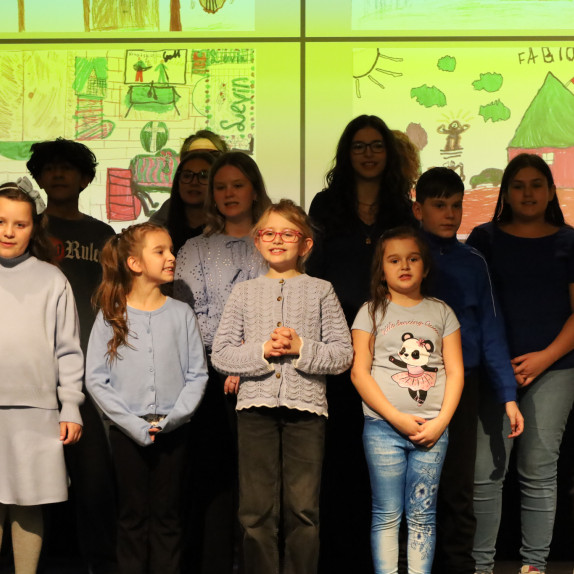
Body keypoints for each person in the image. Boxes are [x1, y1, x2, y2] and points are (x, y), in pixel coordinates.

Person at [211, 200, 353, 574]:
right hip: (254, 410)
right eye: (269, 233)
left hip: (307, 412)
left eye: (288, 233)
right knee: (255, 511)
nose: (277, 240)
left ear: (305, 244)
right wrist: (262, 351)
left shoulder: (321, 290)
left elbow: (342, 354)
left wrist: (301, 347)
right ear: (257, 241)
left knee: (303, 509)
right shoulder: (243, 292)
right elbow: (222, 354)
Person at [307, 115, 416, 573]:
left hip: (390, 348)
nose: (368, 154)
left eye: (376, 145)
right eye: (358, 146)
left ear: (388, 153)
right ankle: (338, 560)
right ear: (346, 153)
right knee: (339, 458)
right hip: (335, 346)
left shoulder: (402, 208)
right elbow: (313, 275)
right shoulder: (325, 205)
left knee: (384, 459)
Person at [411, 167, 524, 574]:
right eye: (439, 205)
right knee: (414, 486)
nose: (449, 214)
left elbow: (491, 329)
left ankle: (459, 567)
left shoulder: (472, 261)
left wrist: (508, 395)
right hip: (409, 384)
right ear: (418, 209)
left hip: (463, 384)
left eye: (456, 206)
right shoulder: (404, 255)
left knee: (458, 486)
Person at [466, 154, 574, 574]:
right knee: (486, 473)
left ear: (550, 191)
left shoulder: (568, 241)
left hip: (556, 369)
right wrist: (498, 365)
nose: (528, 193)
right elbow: (473, 307)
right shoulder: (484, 239)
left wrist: (544, 358)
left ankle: (534, 566)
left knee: (539, 470)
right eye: (518, 185)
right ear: (506, 194)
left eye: (536, 184)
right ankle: (481, 567)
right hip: (495, 371)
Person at [86, 222, 208, 574]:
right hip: (127, 434)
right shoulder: (112, 315)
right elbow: (96, 379)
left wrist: (174, 419)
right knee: (132, 516)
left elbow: (197, 374)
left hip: (174, 431)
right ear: (134, 263)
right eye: (160, 251)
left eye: (171, 250)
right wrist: (131, 425)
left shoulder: (181, 314)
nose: (171, 257)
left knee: (168, 517)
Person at [174, 151, 272, 573]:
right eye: (220, 187)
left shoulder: (272, 244)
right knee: (213, 479)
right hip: (208, 376)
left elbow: (277, 307)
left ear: (254, 190)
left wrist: (246, 355)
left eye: (237, 185)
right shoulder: (195, 248)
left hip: (264, 373)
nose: (229, 194)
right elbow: (191, 312)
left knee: (258, 481)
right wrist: (225, 358)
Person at [26, 137, 117, 573]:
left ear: (84, 179)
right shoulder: (27, 231)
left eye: (68, 168)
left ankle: (97, 562)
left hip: (93, 369)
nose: (58, 174)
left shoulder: (103, 235)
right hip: (36, 371)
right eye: (50, 168)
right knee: (34, 478)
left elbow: (119, 300)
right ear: (40, 178)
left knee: (94, 479)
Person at [350, 226, 464, 574]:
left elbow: (456, 372)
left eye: (413, 259)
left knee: (423, 515)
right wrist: (395, 417)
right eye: (394, 260)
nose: (404, 266)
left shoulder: (442, 312)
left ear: (425, 267)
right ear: (381, 269)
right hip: (383, 428)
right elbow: (359, 373)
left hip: (432, 429)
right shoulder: (370, 312)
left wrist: (441, 423)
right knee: (387, 514)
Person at [0, 179, 84, 574]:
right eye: (1, 221)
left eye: (20, 224)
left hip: (36, 411)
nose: (9, 231)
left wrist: (71, 407)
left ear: (34, 228)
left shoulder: (52, 280)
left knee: (28, 502)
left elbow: (68, 350)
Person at [151, 129, 228, 226]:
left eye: (211, 154)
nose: (195, 182)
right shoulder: (167, 212)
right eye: (193, 155)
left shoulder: (235, 211)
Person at [151, 150, 215, 255]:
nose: (194, 182)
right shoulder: (158, 229)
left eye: (203, 176)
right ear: (178, 182)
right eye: (187, 176)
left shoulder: (228, 230)